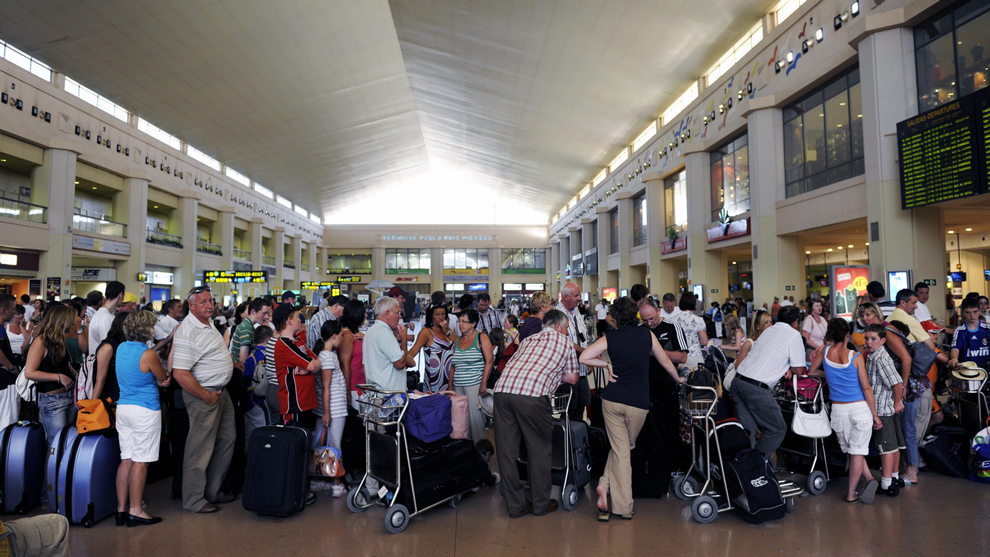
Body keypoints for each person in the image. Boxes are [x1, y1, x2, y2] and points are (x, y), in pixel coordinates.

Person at [581, 297, 683, 521]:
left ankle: (604, 486)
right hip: (638, 404)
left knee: (620, 450)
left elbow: (584, 356)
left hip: (613, 400)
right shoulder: (647, 335)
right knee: (624, 450)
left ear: (615, 318)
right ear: (635, 315)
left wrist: (607, 364)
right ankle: (624, 507)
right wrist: (678, 379)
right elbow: (665, 361)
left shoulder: (610, 337)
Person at [493, 309, 579, 518]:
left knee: (506, 451)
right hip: (532, 396)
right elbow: (573, 378)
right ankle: (540, 504)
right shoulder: (565, 342)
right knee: (539, 450)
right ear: (558, 326)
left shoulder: (528, 340)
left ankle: (515, 506)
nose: (567, 332)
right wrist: (555, 375)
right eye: (567, 328)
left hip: (502, 392)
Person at [171, 285, 236, 514]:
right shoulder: (188, 330)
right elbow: (180, 373)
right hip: (204, 395)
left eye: (211, 300)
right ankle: (194, 500)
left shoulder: (208, 323)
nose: (209, 305)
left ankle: (211, 491)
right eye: (203, 302)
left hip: (220, 392)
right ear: (191, 305)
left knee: (226, 441)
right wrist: (206, 395)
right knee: (199, 450)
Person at [808, 318, 882, 504]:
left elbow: (811, 372)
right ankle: (851, 493)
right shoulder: (855, 357)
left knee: (852, 450)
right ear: (847, 334)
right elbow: (866, 388)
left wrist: (830, 375)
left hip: (838, 410)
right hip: (858, 409)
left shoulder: (824, 352)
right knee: (857, 451)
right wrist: (875, 414)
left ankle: (870, 479)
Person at [114, 310, 170, 527]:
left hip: (124, 408)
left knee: (126, 458)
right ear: (146, 329)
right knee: (141, 461)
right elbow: (162, 378)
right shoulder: (148, 354)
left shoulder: (120, 348)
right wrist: (163, 379)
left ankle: (121, 510)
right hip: (145, 410)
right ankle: (136, 510)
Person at [730, 305, 806, 460]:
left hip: (738, 382)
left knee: (748, 431)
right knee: (777, 428)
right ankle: (756, 464)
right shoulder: (794, 335)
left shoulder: (769, 330)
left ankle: (743, 468)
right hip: (756, 388)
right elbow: (799, 369)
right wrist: (789, 367)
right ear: (796, 322)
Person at [23, 304, 78, 446]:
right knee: (56, 444)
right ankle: (52, 469)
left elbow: (63, 364)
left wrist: (76, 375)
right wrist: (59, 377)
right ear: (63, 320)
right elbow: (29, 372)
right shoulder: (41, 341)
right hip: (52, 400)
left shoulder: (61, 340)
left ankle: (63, 468)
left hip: (70, 397)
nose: (75, 322)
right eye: (72, 319)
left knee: (68, 441)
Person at [862, 323, 905, 497]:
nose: (869, 342)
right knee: (894, 446)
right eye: (866, 338)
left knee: (886, 448)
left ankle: (887, 484)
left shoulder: (880, 359)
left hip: (883, 409)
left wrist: (897, 402)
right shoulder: (874, 356)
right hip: (886, 407)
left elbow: (897, 382)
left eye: (873, 339)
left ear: (883, 340)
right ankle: (894, 476)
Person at [271, 304, 321, 427]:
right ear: (289, 321)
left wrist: (308, 370)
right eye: (297, 317)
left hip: (306, 400)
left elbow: (317, 361)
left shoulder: (298, 340)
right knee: (298, 440)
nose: (300, 320)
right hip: (295, 403)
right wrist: (311, 367)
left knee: (308, 438)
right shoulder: (284, 344)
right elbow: (312, 365)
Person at [449, 308, 494, 443]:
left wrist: (483, 384)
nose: (461, 324)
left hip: (474, 385)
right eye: (459, 321)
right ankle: (466, 453)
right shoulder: (458, 340)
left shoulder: (481, 338)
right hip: (458, 387)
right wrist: (450, 386)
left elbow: (489, 361)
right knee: (461, 422)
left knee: (476, 421)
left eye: (464, 322)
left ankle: (481, 455)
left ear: (473, 323)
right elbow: (453, 365)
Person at [315, 319, 347, 497]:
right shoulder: (327, 356)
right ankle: (336, 484)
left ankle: (320, 479)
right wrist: (327, 413)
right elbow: (326, 386)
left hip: (329, 407)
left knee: (325, 445)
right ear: (333, 336)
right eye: (341, 335)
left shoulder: (326, 354)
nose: (342, 338)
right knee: (335, 446)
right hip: (333, 408)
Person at [363, 297, 415, 392]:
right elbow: (400, 364)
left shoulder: (371, 331)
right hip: (388, 395)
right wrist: (404, 338)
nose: (400, 317)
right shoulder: (385, 333)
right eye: (397, 313)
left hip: (376, 392)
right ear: (387, 314)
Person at [556, 283, 590, 422]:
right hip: (568, 372)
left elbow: (581, 337)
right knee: (569, 409)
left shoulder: (576, 312)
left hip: (581, 370)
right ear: (566, 297)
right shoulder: (557, 315)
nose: (579, 299)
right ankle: (568, 440)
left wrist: (589, 359)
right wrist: (587, 352)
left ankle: (578, 438)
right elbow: (564, 341)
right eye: (576, 295)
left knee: (582, 405)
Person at [409, 304, 454, 393]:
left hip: (450, 380)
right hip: (434, 381)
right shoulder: (426, 332)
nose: (440, 317)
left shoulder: (448, 330)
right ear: (431, 316)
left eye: (443, 314)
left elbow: (459, 345)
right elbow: (412, 352)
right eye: (437, 314)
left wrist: (447, 330)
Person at [92, 312, 129, 402]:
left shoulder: (125, 345)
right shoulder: (108, 347)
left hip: (121, 396)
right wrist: (92, 404)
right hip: (110, 398)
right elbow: (100, 379)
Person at [668, 292, 708, 369]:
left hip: (677, 356)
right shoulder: (699, 320)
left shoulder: (672, 320)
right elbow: (704, 342)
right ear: (694, 303)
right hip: (695, 355)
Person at [339, 300, 366, 410]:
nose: (366, 315)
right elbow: (345, 365)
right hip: (353, 386)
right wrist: (348, 392)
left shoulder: (355, 335)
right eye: (363, 312)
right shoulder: (347, 336)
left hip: (360, 384)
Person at [949, 297, 990, 369]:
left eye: (975, 311)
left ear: (980, 311)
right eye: (968, 312)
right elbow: (955, 349)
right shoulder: (960, 331)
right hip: (967, 371)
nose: (972, 316)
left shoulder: (987, 329)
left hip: (986, 369)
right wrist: (954, 359)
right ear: (962, 312)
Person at [0, 295, 20, 431]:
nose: (15, 312)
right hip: (5, 381)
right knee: (7, 423)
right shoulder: (0, 329)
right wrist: (11, 367)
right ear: (3, 310)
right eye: (13, 309)